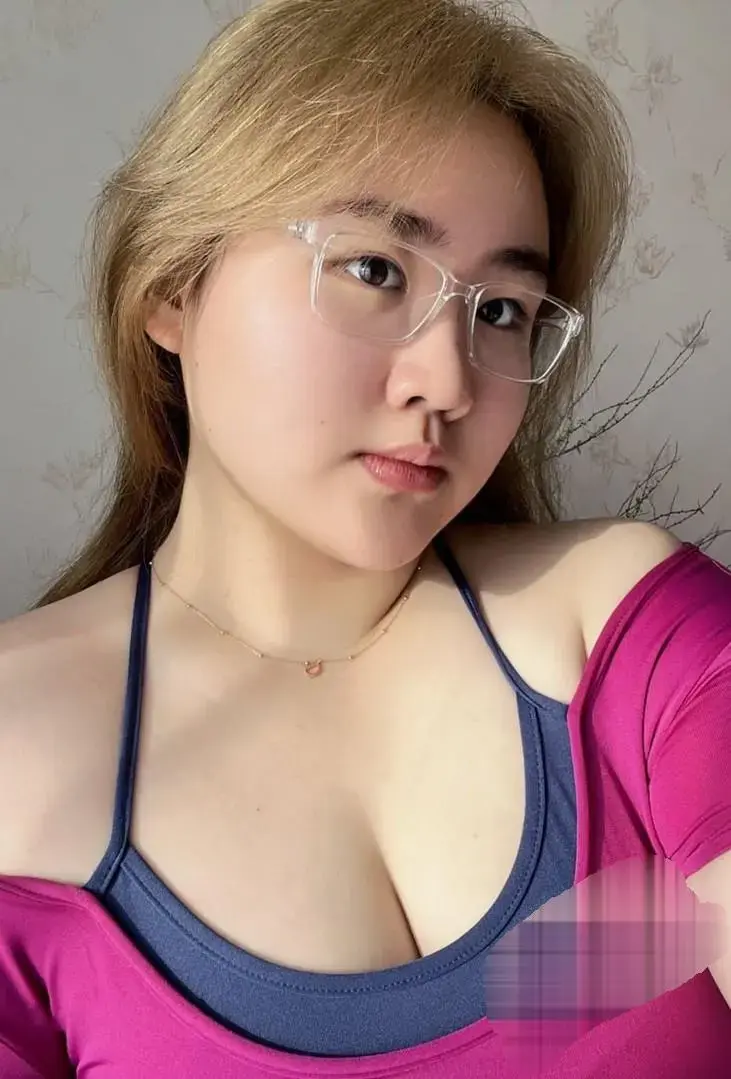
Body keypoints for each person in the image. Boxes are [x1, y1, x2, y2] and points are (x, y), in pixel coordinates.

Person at [0, 0, 729, 1075]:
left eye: (500, 310)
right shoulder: (17, 768)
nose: (446, 380)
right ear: (171, 287)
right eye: (375, 270)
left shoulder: (622, 633)